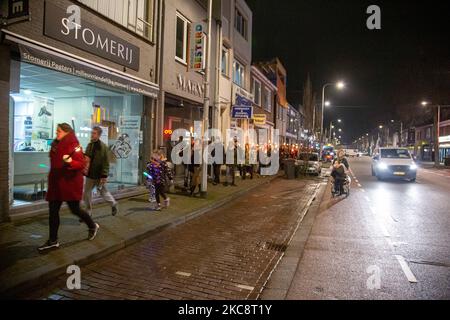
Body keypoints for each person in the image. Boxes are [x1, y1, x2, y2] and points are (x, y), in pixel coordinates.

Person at [38, 123, 99, 252]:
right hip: (56, 183)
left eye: (59, 131)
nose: (56, 133)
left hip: (69, 184)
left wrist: (70, 162)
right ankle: (53, 240)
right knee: (53, 212)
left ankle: (92, 225)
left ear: (67, 132)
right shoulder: (55, 144)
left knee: (75, 209)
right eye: (56, 131)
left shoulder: (73, 145)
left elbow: (81, 163)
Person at [83, 126, 118, 217]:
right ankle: (88, 212)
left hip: (99, 175)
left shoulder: (103, 147)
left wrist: (104, 175)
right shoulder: (90, 145)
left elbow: (106, 162)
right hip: (90, 174)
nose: (92, 135)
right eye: (92, 133)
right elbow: (86, 157)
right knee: (87, 193)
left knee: (103, 192)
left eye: (94, 133)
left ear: (99, 135)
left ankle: (113, 204)